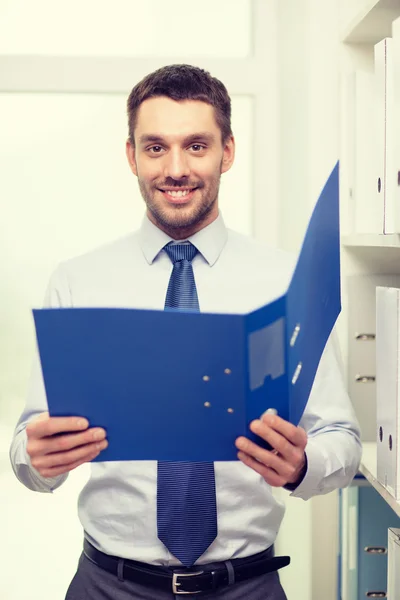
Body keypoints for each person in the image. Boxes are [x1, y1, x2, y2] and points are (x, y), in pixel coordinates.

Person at [9, 64, 362, 600]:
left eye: (196, 146)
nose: (175, 168)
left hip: (248, 586)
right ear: (131, 156)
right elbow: (29, 446)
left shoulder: (285, 281)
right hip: (109, 585)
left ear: (228, 151)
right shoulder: (78, 280)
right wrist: (35, 461)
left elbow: (342, 438)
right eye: (155, 148)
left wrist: (302, 466)